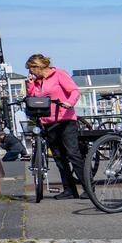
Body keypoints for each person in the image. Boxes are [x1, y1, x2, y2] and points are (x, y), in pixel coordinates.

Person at [26, 54, 83, 199]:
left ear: (38, 67)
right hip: (47, 121)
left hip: (64, 119)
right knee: (59, 157)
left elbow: (74, 91)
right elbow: (33, 99)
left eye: (32, 69)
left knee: (73, 154)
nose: (31, 72)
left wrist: (70, 102)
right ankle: (70, 190)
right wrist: (30, 84)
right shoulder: (37, 81)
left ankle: (88, 188)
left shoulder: (59, 74)